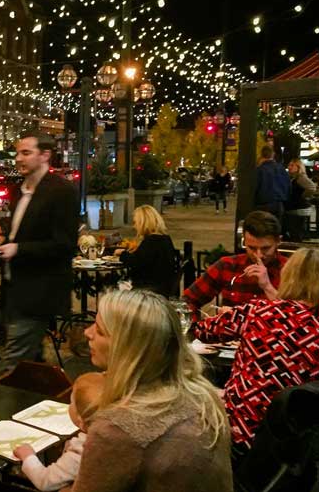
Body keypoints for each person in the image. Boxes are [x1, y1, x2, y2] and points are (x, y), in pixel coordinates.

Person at [73, 290, 232, 492]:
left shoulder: (118, 427)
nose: (87, 333)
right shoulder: (203, 394)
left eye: (100, 331)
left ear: (130, 349)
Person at [193, 247, 319, 465]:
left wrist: (232, 318)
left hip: (238, 433)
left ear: (288, 277)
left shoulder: (258, 311)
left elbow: (202, 331)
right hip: (293, 446)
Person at [0, 131, 79, 374]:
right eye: (17, 153)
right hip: (12, 289)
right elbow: (19, 234)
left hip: (38, 292)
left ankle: (3, 405)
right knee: (31, 362)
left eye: (26, 153)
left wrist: (18, 249)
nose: (19, 159)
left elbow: (64, 245)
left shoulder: (61, 191)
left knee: (11, 366)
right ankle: (39, 401)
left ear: (45, 155)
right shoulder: (17, 190)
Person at [184, 210, 287, 319]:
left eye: (265, 248)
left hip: (272, 334)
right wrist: (196, 328)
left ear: (278, 241)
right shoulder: (228, 265)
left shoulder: (292, 270)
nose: (259, 255)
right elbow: (188, 301)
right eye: (251, 248)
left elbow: (300, 318)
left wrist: (267, 287)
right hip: (231, 334)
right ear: (244, 241)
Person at [14, 372, 104, 491]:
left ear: (81, 421)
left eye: (71, 402)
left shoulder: (80, 452)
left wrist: (28, 456)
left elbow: (45, 481)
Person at [114, 205, 178, 297]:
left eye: (136, 222)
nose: (134, 226)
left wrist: (122, 254)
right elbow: (146, 259)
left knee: (113, 289)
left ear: (143, 222)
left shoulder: (152, 241)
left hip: (149, 289)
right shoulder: (164, 238)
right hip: (162, 287)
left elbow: (136, 262)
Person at [254, 145, 290, 223]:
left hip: (262, 205)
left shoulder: (259, 170)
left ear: (261, 155)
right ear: (273, 155)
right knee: (276, 229)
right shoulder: (282, 169)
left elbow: (254, 187)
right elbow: (288, 187)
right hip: (279, 204)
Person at [283, 158, 316, 241]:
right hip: (296, 208)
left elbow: (311, 187)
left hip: (298, 209)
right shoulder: (294, 178)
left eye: (292, 165)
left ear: (298, 167)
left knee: (296, 232)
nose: (289, 167)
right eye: (289, 165)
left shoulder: (300, 177)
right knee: (295, 231)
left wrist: (303, 196)